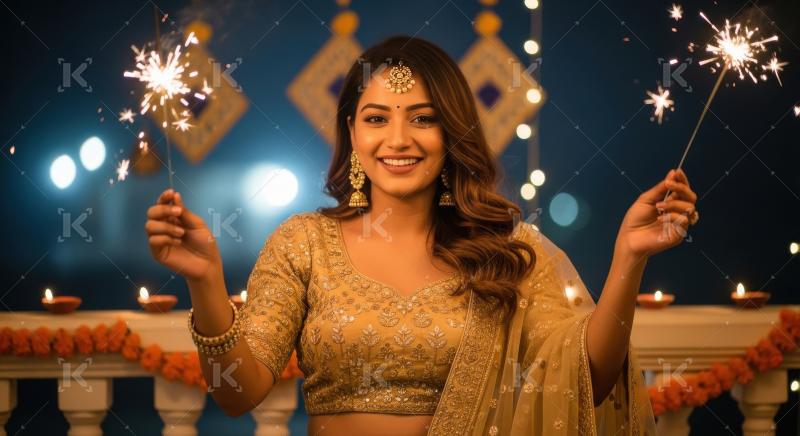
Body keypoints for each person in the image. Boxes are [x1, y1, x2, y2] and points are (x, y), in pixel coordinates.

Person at [146, 35, 698, 435]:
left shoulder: (506, 252)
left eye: (423, 118)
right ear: (352, 133)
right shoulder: (303, 243)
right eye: (377, 118)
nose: (399, 139)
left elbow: (584, 381)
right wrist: (206, 281)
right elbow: (237, 394)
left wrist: (629, 258)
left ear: (451, 133)